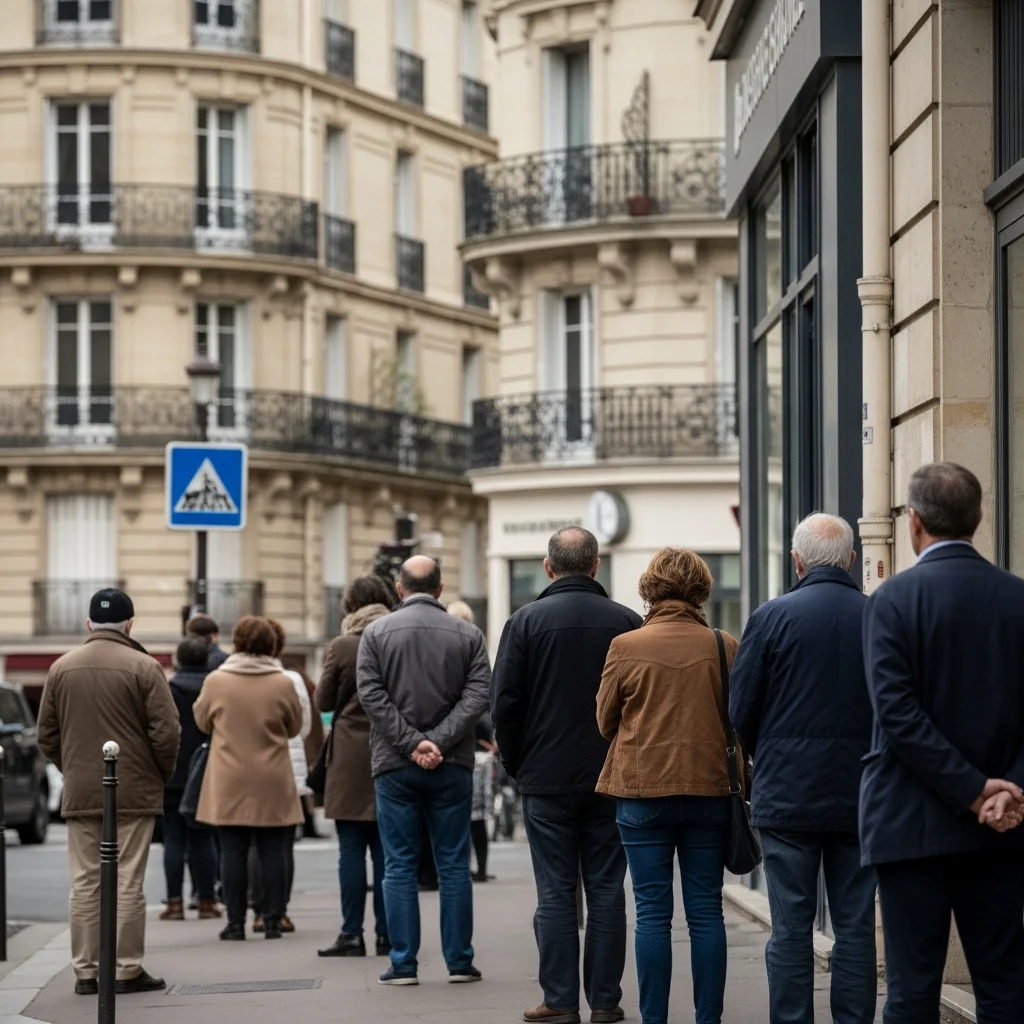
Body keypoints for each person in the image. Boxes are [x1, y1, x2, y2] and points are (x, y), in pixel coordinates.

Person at [861, 462, 1024, 1021]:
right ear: (978, 519)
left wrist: (975, 790)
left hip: (911, 826)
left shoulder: (893, 600)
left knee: (911, 991)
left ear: (913, 523)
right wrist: (1006, 791)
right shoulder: (1016, 597)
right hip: (1002, 828)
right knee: (1005, 989)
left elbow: (897, 716)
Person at [729, 514, 877, 1024]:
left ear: (796, 560)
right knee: (856, 925)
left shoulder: (770, 618)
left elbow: (740, 710)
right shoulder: (878, 616)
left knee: (790, 927)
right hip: (862, 795)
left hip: (788, 796)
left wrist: (768, 752)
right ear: (852, 560)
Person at [492, 526, 641, 1024]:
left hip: (546, 777)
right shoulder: (625, 621)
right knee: (605, 889)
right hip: (610, 776)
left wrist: (516, 765)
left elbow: (505, 705)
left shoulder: (524, 622)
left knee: (555, 891)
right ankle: (604, 1001)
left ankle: (558, 1000)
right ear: (597, 565)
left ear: (548, 566)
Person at [595, 549, 738, 1024]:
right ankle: (708, 1019)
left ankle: (654, 1018)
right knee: (705, 911)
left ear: (649, 589)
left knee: (652, 912)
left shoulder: (626, 645)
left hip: (641, 792)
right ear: (701, 590)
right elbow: (739, 719)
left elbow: (604, 721)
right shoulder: (723, 644)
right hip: (710, 790)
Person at [37, 588, 180, 996]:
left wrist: (74, 769)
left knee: (85, 882)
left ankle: (85, 970)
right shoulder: (145, 666)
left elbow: (46, 734)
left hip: (82, 790)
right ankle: (126, 968)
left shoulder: (61, 668)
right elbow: (166, 732)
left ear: (88, 624)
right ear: (130, 624)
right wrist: (157, 774)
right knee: (127, 881)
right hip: (134, 790)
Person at [357, 556, 491, 986]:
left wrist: (412, 743)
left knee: (398, 865)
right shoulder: (468, 634)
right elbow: (478, 694)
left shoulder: (375, 634)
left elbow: (371, 695)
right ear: (439, 588)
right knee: (453, 864)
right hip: (452, 763)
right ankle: (458, 961)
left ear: (399, 588)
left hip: (394, 765)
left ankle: (403, 963)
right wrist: (440, 739)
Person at [193, 615, 303, 942]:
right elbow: (295, 726)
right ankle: (271, 921)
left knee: (232, 851)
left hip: (229, 776)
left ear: (237, 642)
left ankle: (235, 923)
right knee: (272, 851)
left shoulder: (216, 681)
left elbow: (201, 721)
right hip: (272, 775)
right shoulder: (282, 682)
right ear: (270, 642)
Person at [315, 574, 393, 958]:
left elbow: (324, 702)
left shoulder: (343, 646)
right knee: (386, 851)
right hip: (392, 749)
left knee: (349, 851)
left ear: (350, 606)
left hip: (347, 755)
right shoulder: (396, 636)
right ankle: (387, 934)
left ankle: (350, 934)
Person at [244, 619, 311, 935]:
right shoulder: (292, 679)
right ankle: (279, 910)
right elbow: (305, 724)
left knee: (256, 843)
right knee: (283, 843)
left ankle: (257, 909)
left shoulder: (235, 676)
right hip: (287, 764)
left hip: (248, 768)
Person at [161, 636, 221, 923]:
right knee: (204, 839)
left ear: (178, 660)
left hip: (172, 772)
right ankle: (207, 900)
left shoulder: (168, 689)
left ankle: (174, 903)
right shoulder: (216, 686)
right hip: (208, 771)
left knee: (173, 839)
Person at [447, 600, 496, 883]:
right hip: (478, 748)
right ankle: (480, 868)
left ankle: (462, 868)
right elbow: (485, 699)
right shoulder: (475, 650)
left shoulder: (448, 651)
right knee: (478, 817)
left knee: (460, 817)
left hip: (457, 747)